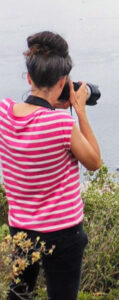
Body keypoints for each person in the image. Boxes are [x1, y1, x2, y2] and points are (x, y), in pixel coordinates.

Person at [0, 31, 101, 299]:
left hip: (21, 228)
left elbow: (31, 116)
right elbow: (94, 161)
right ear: (63, 82)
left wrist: (48, 104)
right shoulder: (61, 124)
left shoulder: (3, 113)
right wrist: (79, 109)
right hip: (64, 232)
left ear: (30, 77)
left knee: (19, 295)